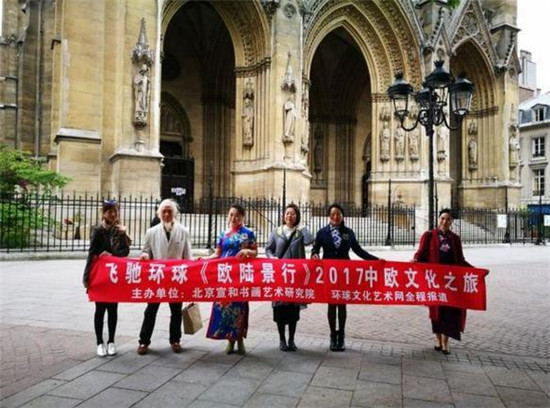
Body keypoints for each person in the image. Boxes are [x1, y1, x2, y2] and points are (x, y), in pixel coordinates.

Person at [311, 203, 380, 352]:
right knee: (331, 304)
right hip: (329, 274)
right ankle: (332, 335)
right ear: (329, 216)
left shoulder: (348, 233)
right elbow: (315, 249)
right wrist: (314, 254)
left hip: (344, 274)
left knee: (342, 304)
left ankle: (341, 335)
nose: (335, 217)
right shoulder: (322, 232)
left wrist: (376, 260)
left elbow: (359, 251)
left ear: (342, 216)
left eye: (338, 214)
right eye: (333, 214)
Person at [412, 208, 473, 355]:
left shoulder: (455, 239)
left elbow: (461, 260)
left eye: (448, 219)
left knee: (450, 311)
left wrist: (475, 271)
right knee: (436, 311)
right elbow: (420, 254)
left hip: (450, 281)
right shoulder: (428, 235)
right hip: (435, 281)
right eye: (442, 218)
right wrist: (414, 260)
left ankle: (446, 341)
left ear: (452, 221)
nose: (445, 221)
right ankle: (437, 339)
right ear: (438, 219)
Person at [137, 199, 192, 355]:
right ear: (159, 214)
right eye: (164, 211)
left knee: (176, 311)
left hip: (176, 278)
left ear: (175, 213)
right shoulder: (151, 232)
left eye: (170, 211)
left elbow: (188, 257)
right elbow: (146, 251)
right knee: (150, 310)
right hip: (158, 277)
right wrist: (145, 256)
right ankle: (143, 341)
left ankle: (175, 340)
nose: (167, 214)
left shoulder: (183, 231)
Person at [202, 203, 258, 355]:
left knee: (240, 307)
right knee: (224, 307)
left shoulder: (248, 233)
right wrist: (205, 259)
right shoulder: (223, 234)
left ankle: (239, 339)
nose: (234, 218)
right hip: (225, 276)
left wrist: (246, 251)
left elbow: (255, 252)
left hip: (240, 276)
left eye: (237, 215)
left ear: (242, 217)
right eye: (231, 215)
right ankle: (229, 340)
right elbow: (217, 254)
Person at [83, 200, 131, 357]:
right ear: (103, 213)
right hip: (101, 275)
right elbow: (92, 253)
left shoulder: (120, 230)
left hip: (114, 275)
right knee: (100, 309)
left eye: (115, 211)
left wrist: (112, 254)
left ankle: (111, 341)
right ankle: (99, 342)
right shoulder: (98, 231)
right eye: (109, 211)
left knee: (113, 309)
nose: (113, 214)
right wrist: (87, 277)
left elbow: (125, 252)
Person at [265, 204, 313, 352]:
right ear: (283, 216)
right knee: (280, 308)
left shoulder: (299, 233)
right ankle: (282, 339)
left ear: (296, 217)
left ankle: (291, 340)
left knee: (293, 309)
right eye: (287, 214)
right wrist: (272, 258)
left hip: (295, 277)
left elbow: (310, 240)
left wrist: (302, 227)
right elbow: (268, 249)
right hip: (280, 276)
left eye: (293, 214)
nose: (289, 216)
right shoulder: (276, 232)